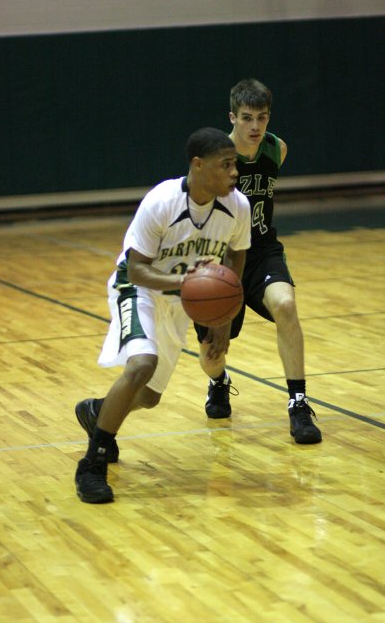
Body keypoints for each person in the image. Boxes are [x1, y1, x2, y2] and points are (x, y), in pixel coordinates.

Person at [74, 127, 252, 503]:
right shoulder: (161, 202)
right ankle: (93, 463)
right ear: (198, 165)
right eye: (227, 164)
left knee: (150, 397)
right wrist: (186, 283)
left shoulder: (238, 206)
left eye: (235, 164)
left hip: (178, 300)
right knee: (141, 365)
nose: (235, 172)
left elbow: (236, 261)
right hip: (136, 287)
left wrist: (221, 317)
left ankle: (98, 413)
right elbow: (137, 269)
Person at [196, 78, 322, 445]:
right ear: (232, 117)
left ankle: (298, 403)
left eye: (261, 118)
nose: (254, 126)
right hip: (219, 260)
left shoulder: (276, 149)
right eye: (247, 118)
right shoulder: (214, 159)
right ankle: (219, 382)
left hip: (262, 250)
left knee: (285, 305)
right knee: (212, 355)